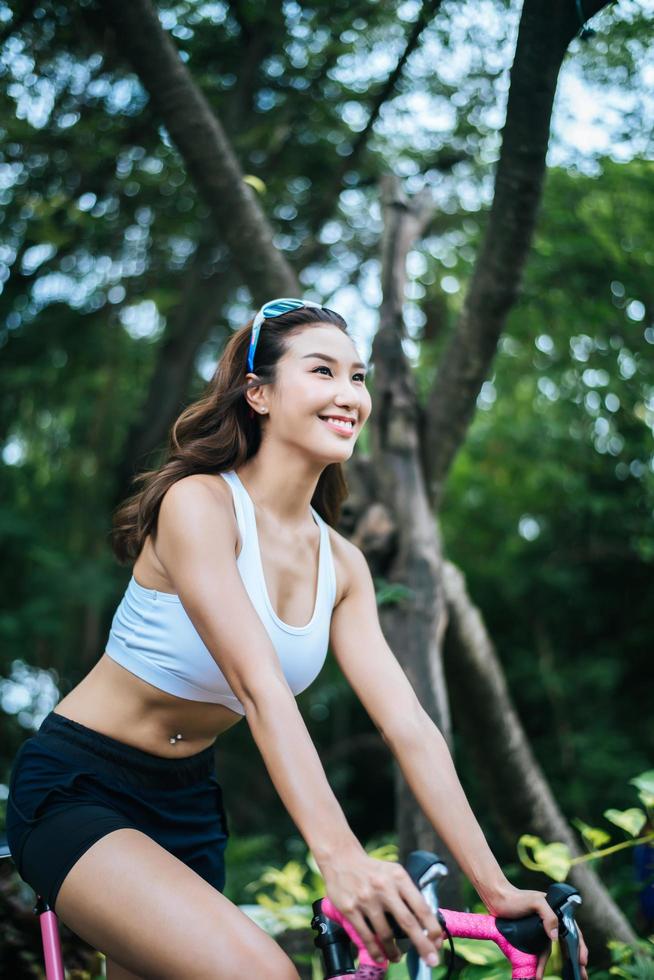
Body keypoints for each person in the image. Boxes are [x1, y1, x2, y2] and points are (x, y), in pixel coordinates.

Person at [5, 297, 589, 980]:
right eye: (322, 371)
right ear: (257, 393)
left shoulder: (342, 566)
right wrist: (339, 857)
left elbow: (410, 727)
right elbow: (260, 688)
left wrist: (495, 888)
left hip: (188, 805)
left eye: (358, 378)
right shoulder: (199, 504)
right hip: (80, 788)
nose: (348, 395)